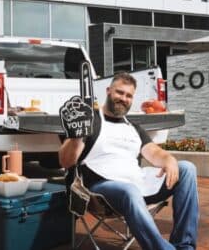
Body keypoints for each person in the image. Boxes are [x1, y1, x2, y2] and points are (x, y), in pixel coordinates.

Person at [59, 72, 199, 250]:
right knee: (129, 190)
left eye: (128, 95)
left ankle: (185, 245)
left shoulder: (133, 128)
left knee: (187, 168)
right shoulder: (89, 121)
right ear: (109, 91)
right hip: (102, 189)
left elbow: (153, 152)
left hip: (138, 184)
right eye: (119, 92)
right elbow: (65, 161)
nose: (123, 98)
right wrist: (76, 137)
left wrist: (168, 159)